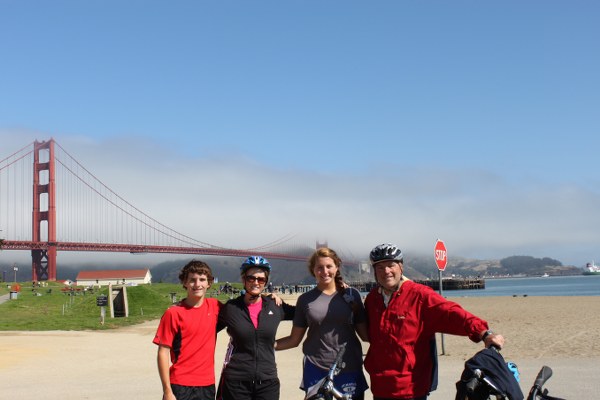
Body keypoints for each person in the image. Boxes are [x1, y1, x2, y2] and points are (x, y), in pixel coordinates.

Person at [364, 243, 505, 400]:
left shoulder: (420, 295)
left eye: (391, 265)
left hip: (410, 387)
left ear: (401, 267)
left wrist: (483, 332)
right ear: (374, 271)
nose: (386, 271)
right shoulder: (372, 299)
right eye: (380, 267)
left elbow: (451, 313)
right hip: (380, 386)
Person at [275, 247, 369, 400]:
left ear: (336, 267)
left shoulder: (353, 295)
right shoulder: (305, 300)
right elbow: (294, 339)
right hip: (316, 367)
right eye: (319, 267)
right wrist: (263, 345)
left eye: (329, 266)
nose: (324, 271)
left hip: (349, 366)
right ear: (313, 270)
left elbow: (366, 335)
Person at [216, 256, 295, 400]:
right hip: (236, 382)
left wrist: (334, 293)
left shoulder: (275, 306)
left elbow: (307, 314)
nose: (256, 282)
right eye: (251, 278)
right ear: (243, 279)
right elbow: (205, 328)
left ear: (266, 281)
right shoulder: (231, 308)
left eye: (261, 279)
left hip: (267, 381)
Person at [153, 260, 221, 400]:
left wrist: (265, 298)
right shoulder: (173, 313)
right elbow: (163, 352)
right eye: (192, 280)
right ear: (184, 282)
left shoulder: (216, 307)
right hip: (180, 384)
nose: (197, 284)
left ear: (209, 283)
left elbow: (241, 311)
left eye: (202, 279)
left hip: (207, 385)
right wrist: (167, 391)